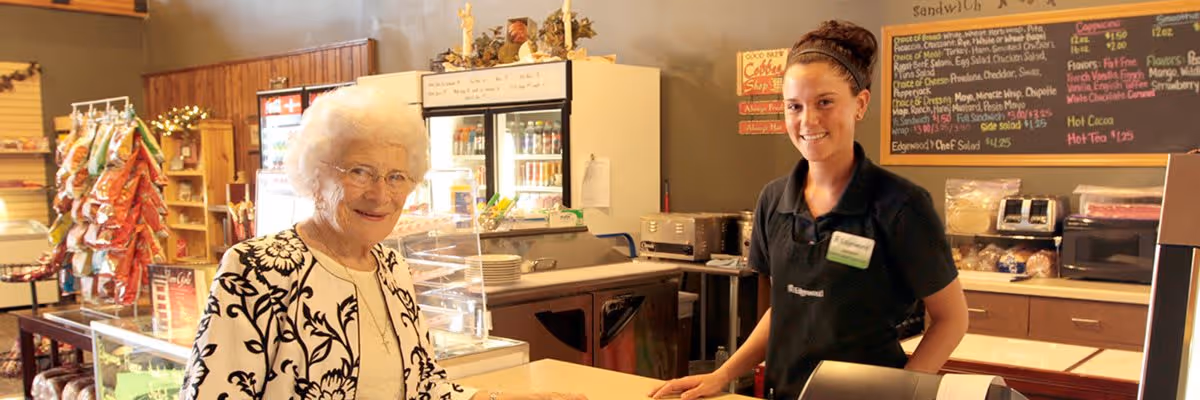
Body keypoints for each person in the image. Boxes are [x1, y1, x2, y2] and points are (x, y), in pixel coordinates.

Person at [180, 86, 585, 400]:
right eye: (360, 171)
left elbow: (426, 388)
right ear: (315, 174)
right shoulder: (257, 268)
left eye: (396, 177)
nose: (380, 194)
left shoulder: (392, 270)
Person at [650, 20, 968, 400]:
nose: (808, 121)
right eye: (794, 106)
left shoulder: (901, 206)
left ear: (860, 104)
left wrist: (903, 392)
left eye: (825, 102)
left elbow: (952, 320)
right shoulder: (773, 200)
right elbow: (783, 312)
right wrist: (724, 375)